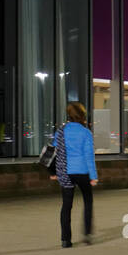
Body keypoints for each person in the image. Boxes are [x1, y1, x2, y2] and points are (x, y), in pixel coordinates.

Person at [49, 101, 99, 247]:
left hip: (65, 172)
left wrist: (54, 172)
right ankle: (87, 235)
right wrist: (93, 176)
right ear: (82, 115)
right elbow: (89, 155)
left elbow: (54, 151)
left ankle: (65, 240)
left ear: (69, 116)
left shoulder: (61, 131)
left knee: (66, 205)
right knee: (88, 201)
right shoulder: (86, 132)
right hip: (82, 171)